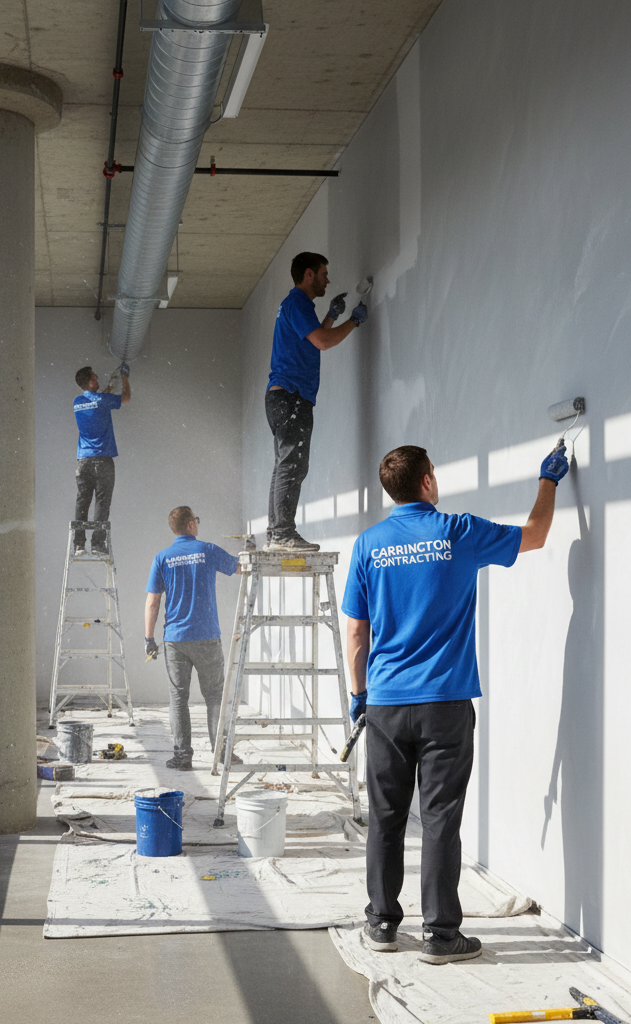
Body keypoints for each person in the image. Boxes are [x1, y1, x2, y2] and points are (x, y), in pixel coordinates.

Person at [341, 442, 569, 964]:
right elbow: (534, 537)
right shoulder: (458, 532)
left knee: (386, 814)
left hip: (386, 703)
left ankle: (381, 924)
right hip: (445, 702)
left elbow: (356, 631)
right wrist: (548, 481)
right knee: (440, 817)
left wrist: (360, 696)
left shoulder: (370, 545)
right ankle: (441, 936)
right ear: (426, 482)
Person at [265, 251, 368, 551]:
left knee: (285, 464)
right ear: (308, 274)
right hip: (292, 396)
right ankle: (283, 533)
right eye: (324, 274)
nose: (328, 280)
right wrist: (354, 322)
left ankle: (276, 533)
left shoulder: (296, 306)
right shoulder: (297, 302)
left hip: (284, 397)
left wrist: (333, 315)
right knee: (292, 465)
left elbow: (313, 339)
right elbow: (323, 341)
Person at [145, 506, 242, 771]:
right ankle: (221, 753)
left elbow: (153, 602)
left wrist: (149, 638)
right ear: (190, 525)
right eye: (196, 521)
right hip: (206, 636)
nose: (197, 525)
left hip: (175, 639)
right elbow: (241, 569)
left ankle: (182, 756)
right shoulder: (207, 550)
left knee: (178, 699)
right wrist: (252, 554)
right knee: (214, 696)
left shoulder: (162, 558)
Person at [72, 363, 130, 555]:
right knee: (102, 502)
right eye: (94, 377)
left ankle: (79, 544)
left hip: (83, 462)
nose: (97, 378)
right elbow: (126, 398)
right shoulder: (103, 400)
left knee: (83, 501)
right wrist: (124, 379)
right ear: (89, 382)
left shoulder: (77, 402)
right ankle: (97, 544)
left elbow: (96, 403)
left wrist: (107, 390)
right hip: (103, 460)